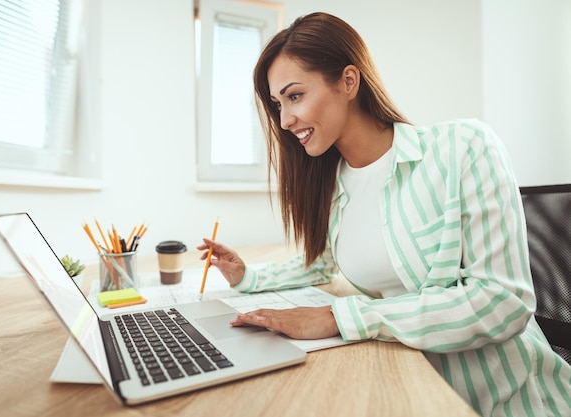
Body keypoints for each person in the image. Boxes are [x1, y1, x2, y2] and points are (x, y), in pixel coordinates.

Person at [197, 12, 571, 417]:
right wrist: (248, 277)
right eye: (277, 104)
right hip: (411, 386)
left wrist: (340, 316)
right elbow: (321, 264)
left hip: (505, 398)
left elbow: (504, 301)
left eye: (295, 96)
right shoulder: (334, 183)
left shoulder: (462, 147)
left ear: (349, 81)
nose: (285, 120)